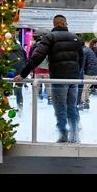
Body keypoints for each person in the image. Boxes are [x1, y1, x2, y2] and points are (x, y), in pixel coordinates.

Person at [14, 15, 83, 143]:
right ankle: (75, 136)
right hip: (73, 79)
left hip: (58, 78)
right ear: (63, 23)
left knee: (60, 108)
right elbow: (81, 59)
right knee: (72, 107)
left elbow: (37, 57)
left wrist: (23, 74)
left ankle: (63, 135)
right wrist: (76, 73)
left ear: (55, 24)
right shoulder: (75, 38)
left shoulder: (50, 37)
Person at [29, 37, 52, 104]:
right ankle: (50, 98)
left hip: (37, 69)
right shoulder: (48, 50)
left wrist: (31, 70)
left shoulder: (36, 49)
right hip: (46, 70)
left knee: (37, 85)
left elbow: (32, 60)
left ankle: (35, 98)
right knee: (48, 85)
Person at [7, 39, 28, 110]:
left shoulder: (5, 49)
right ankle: (20, 108)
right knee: (19, 91)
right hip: (20, 72)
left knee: (5, 91)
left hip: (9, 72)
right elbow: (26, 60)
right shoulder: (21, 49)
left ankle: (4, 108)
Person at [79, 42, 97, 110]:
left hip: (90, 72)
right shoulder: (88, 49)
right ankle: (86, 101)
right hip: (95, 72)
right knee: (87, 87)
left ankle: (82, 103)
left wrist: (79, 72)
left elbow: (83, 62)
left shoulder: (84, 51)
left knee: (83, 88)